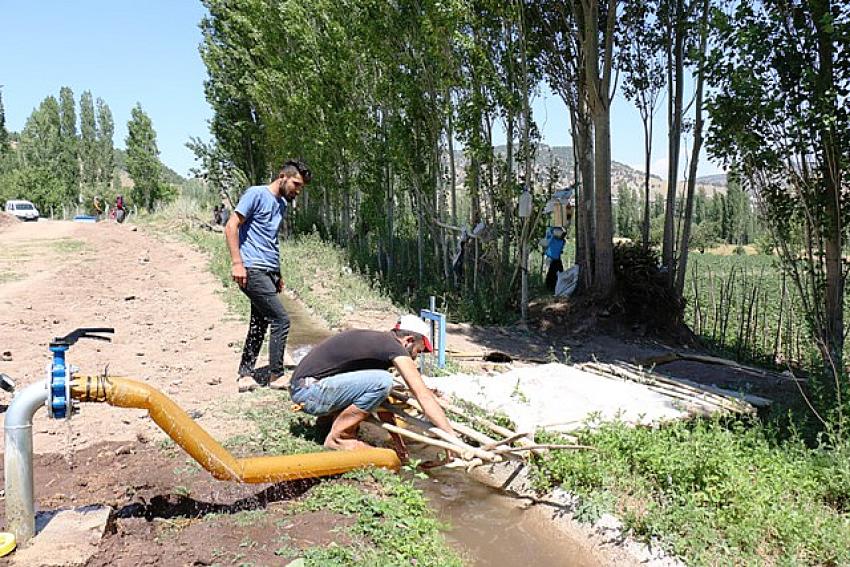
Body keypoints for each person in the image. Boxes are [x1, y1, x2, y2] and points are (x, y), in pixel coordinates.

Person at [289, 314, 458, 452]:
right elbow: (423, 395)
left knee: (381, 383)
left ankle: (326, 425)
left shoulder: (379, 345)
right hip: (310, 392)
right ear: (409, 340)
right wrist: (451, 437)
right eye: (417, 351)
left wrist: (398, 444)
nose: (414, 357)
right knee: (383, 381)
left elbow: (381, 402)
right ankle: (339, 438)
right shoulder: (394, 348)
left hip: (305, 389)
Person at [225, 159, 311, 393]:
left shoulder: (281, 204)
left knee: (260, 321)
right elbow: (231, 226)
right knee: (281, 319)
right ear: (282, 176)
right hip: (251, 268)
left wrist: (278, 273)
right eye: (295, 184)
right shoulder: (256, 194)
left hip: (268, 270)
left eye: (301, 187)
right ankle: (276, 374)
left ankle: (245, 374)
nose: (297, 190)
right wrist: (237, 263)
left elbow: (270, 241)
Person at [543, 226, 566, 292]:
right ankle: (551, 287)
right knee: (553, 272)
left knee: (556, 272)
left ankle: (553, 287)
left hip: (555, 258)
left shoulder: (561, 240)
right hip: (553, 258)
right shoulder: (553, 237)